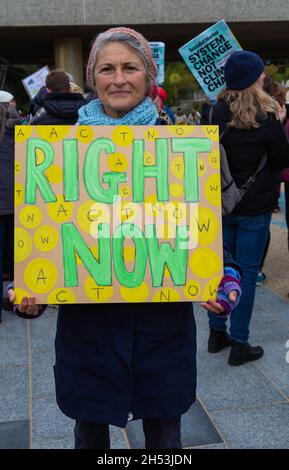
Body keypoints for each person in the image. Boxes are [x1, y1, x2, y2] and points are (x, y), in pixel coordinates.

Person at [11, 27, 241, 449]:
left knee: (165, 439)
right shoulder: (57, 152)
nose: (118, 78)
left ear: (149, 76)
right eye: (107, 69)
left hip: (160, 332)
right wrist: (29, 289)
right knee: (90, 436)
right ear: (92, 77)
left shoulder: (184, 149)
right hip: (89, 333)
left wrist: (225, 277)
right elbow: (45, 238)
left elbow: (208, 233)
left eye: (130, 68)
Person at [207, 51, 289, 366]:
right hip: (255, 207)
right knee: (247, 271)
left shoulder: (215, 111)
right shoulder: (267, 116)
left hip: (221, 203)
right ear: (255, 78)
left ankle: (216, 333)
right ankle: (240, 341)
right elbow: (282, 161)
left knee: (222, 268)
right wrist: (280, 124)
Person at [0, 91, 21, 322]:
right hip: (17, 200)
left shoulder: (16, 131)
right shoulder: (19, 130)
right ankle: (16, 295)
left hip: (9, 200)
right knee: (16, 252)